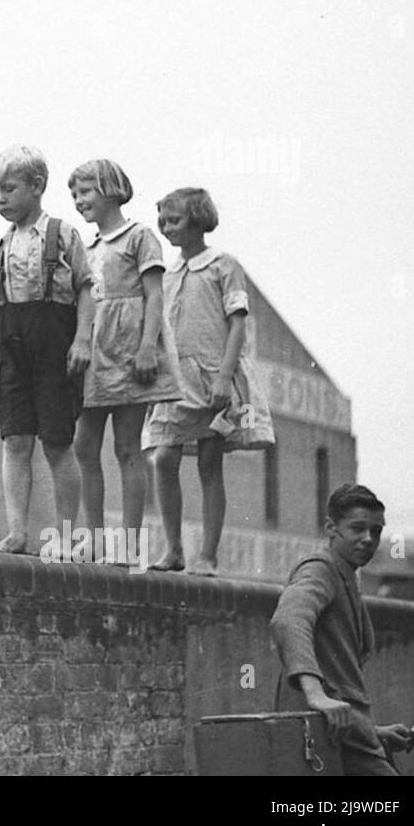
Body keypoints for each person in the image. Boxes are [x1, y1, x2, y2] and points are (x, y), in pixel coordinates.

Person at [143, 187, 273, 575]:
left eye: (175, 220)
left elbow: (237, 325)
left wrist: (223, 377)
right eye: (163, 222)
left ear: (198, 220)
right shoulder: (168, 274)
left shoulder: (222, 264)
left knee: (209, 461)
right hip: (176, 381)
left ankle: (208, 555)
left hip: (213, 377)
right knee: (163, 456)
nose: (167, 229)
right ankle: (174, 550)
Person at [0, 145, 94, 555]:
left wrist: (82, 339)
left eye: (8, 189)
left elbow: (86, 288)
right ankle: (17, 531)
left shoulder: (63, 234)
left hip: (54, 342)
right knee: (14, 439)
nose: (1, 199)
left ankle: (65, 535)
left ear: (37, 186)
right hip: (12, 343)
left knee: (57, 440)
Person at [68, 159, 180, 561]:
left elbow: (155, 294)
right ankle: (94, 540)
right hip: (96, 352)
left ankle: (130, 545)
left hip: (131, 349)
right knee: (84, 445)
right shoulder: (87, 246)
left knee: (128, 447)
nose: (79, 201)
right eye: (75, 195)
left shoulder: (140, 237)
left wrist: (148, 346)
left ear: (110, 189)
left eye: (86, 192)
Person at [270, 483, 414, 775]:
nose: (368, 539)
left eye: (376, 531)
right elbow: (288, 619)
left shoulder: (346, 576)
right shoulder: (319, 568)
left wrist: (375, 731)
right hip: (319, 729)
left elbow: (338, 675)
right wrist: (314, 694)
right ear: (330, 528)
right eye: (357, 528)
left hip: (343, 730)